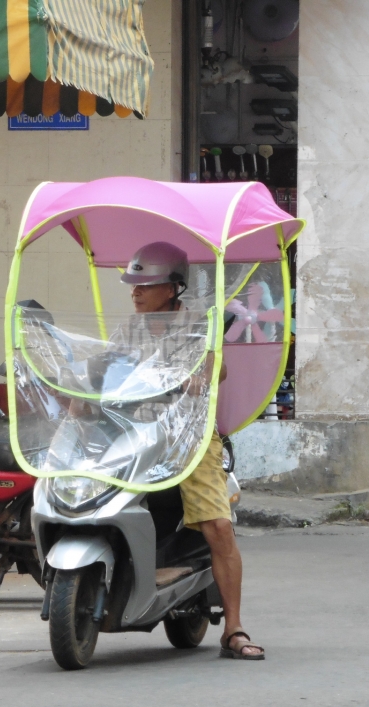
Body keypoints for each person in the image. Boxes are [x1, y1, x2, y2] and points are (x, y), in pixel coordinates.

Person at [116, 241, 264, 661]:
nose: (136, 291)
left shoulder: (200, 323)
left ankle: (233, 628)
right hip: (134, 434)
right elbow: (105, 369)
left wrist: (201, 374)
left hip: (190, 437)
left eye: (146, 283)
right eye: (134, 283)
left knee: (218, 526)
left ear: (172, 288)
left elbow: (217, 366)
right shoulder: (127, 328)